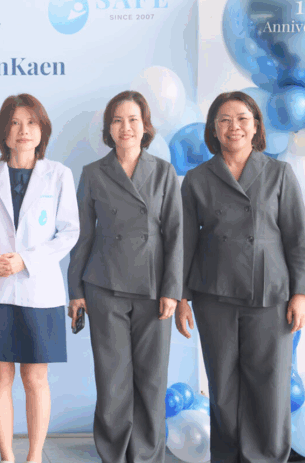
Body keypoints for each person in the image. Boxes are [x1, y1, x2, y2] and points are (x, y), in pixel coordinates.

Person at [175, 91, 305, 463]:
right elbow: (184, 243)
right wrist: (182, 297)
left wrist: (300, 293)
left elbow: (297, 237)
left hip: (270, 293)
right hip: (213, 294)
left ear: (255, 127)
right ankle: (227, 456)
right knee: (222, 386)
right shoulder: (197, 178)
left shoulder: (279, 173)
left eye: (241, 119)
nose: (233, 126)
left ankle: (267, 456)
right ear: (213, 129)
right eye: (224, 120)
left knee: (270, 385)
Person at [0, 94, 80, 463]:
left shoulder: (59, 174)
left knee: (35, 379)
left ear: (42, 130)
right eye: (15, 123)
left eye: (31, 122)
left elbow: (69, 232)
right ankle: (7, 456)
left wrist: (25, 261)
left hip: (38, 291)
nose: (23, 130)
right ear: (3, 132)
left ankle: (35, 456)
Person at [67, 90, 183, 463]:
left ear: (145, 126)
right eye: (117, 120)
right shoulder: (93, 173)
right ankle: (113, 455)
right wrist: (75, 290)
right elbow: (82, 236)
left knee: (151, 380)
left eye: (133, 119)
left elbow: (176, 235)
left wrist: (172, 289)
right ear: (109, 128)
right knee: (112, 381)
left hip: (153, 288)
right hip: (104, 286)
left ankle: (146, 455)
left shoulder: (164, 172)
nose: (125, 127)